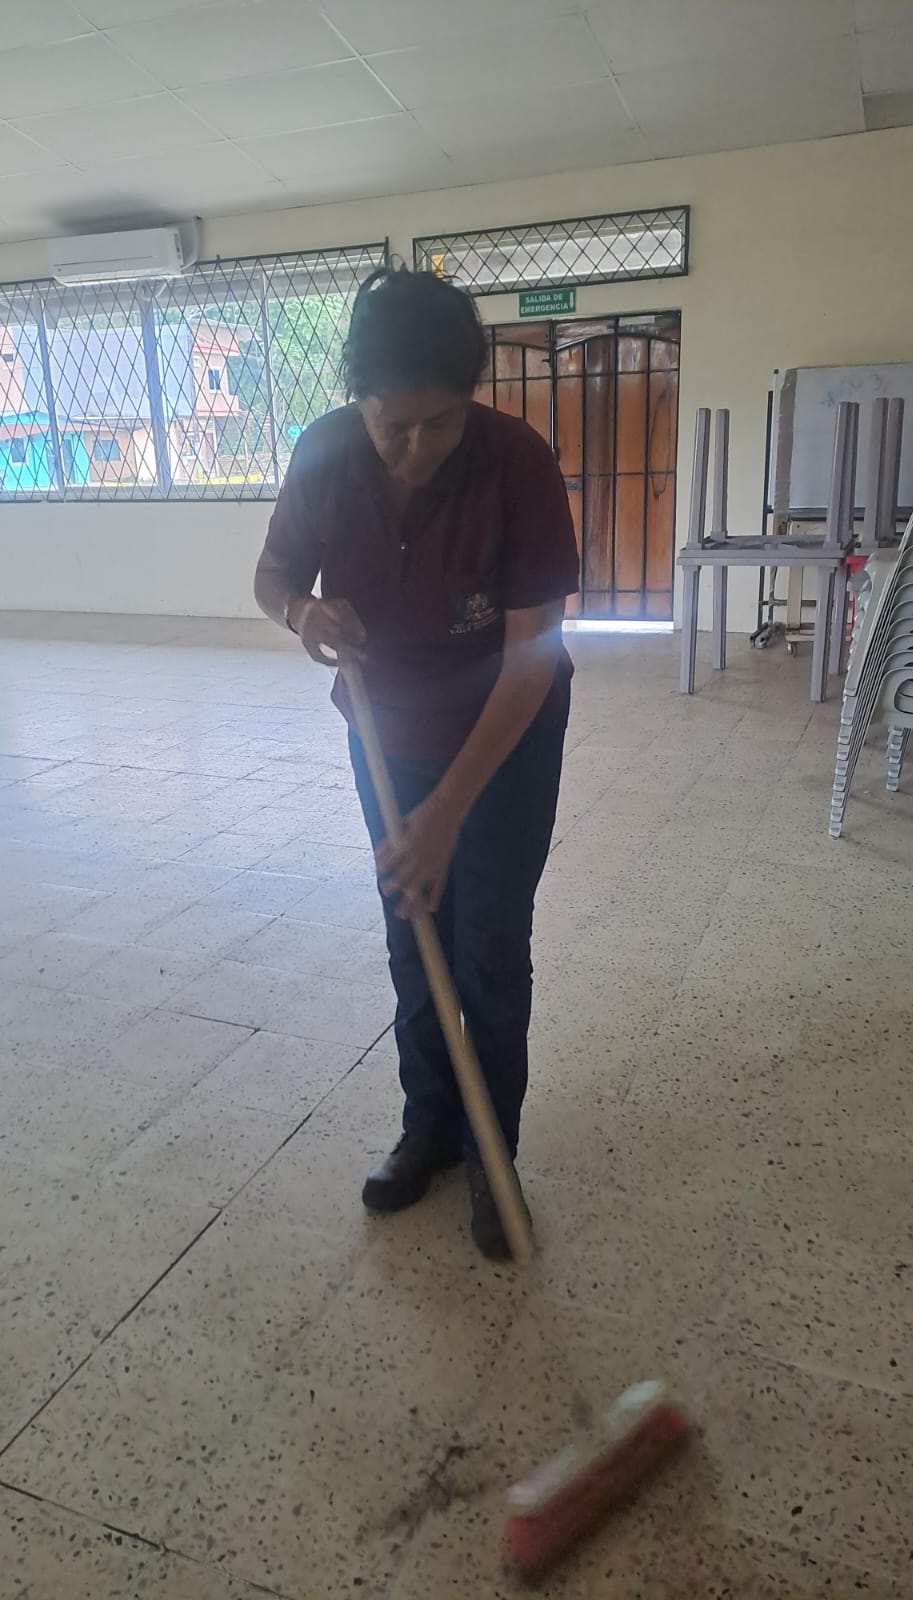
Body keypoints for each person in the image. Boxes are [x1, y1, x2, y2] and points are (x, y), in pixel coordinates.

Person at [253, 266, 579, 1260]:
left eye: (440, 422)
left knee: (488, 943)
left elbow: (532, 656)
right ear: (358, 396)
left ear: (468, 397)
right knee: (413, 930)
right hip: (385, 727)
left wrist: (445, 814)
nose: (416, 446)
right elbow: (272, 576)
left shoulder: (517, 464)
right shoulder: (323, 453)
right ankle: (428, 1130)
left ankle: (491, 1154)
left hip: (504, 733)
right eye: (394, 425)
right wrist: (302, 611)